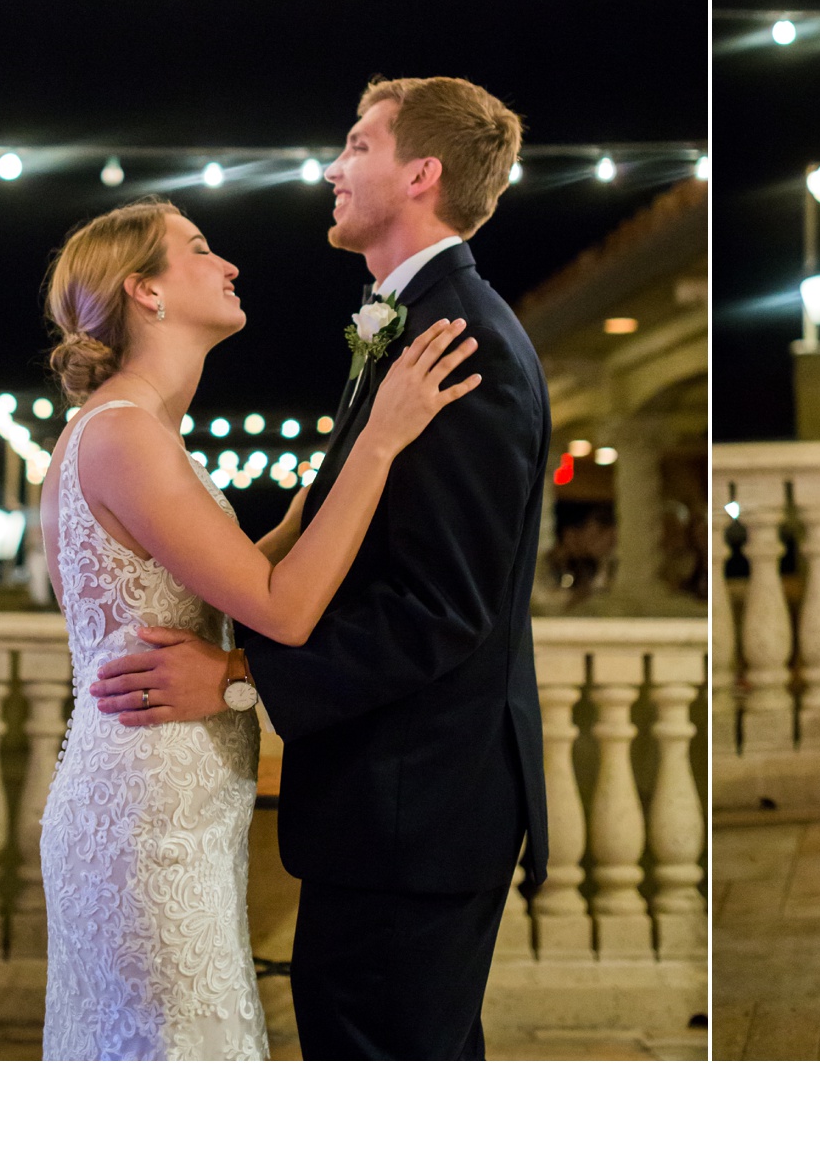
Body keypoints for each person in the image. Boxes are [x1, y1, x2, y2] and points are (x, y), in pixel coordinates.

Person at [89, 76, 552, 1060]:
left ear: (419, 173)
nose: (332, 169)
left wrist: (236, 673)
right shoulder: (400, 329)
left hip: (416, 810)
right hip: (385, 806)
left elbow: (439, 610)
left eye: (357, 146)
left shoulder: (456, 345)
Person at [37, 197, 479, 1060]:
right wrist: (381, 443)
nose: (229, 265)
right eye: (200, 250)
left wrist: (337, 467)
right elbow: (279, 605)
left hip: (167, 800)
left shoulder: (134, 428)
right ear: (146, 294)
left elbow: (234, 573)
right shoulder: (127, 435)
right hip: (149, 812)